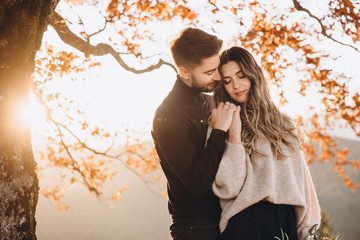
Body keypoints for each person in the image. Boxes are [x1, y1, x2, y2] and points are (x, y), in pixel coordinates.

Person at [208, 46, 321, 240]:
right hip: (242, 223)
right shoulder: (221, 123)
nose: (236, 85)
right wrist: (234, 137)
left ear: (253, 74)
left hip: (284, 221)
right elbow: (228, 188)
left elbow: (303, 184)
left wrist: (310, 233)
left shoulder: (284, 124)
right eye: (227, 81)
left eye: (241, 75)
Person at [151, 28, 237, 240]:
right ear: (184, 72)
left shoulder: (208, 100)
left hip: (226, 219)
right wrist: (219, 131)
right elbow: (197, 184)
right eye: (209, 73)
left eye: (217, 68)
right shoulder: (168, 117)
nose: (218, 77)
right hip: (196, 229)